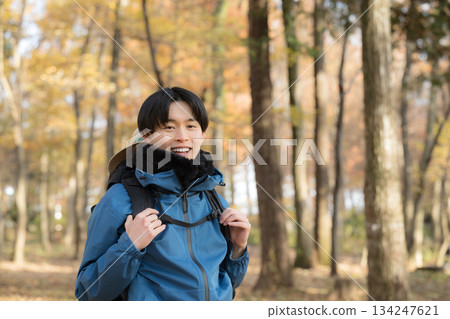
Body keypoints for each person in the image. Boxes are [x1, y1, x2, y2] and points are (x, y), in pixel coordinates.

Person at [75, 87, 250, 301]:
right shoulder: (121, 199)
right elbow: (86, 293)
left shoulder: (215, 202)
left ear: (203, 134)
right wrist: (129, 247)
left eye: (191, 126)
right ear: (148, 136)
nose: (182, 137)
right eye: (169, 127)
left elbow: (227, 285)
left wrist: (238, 249)